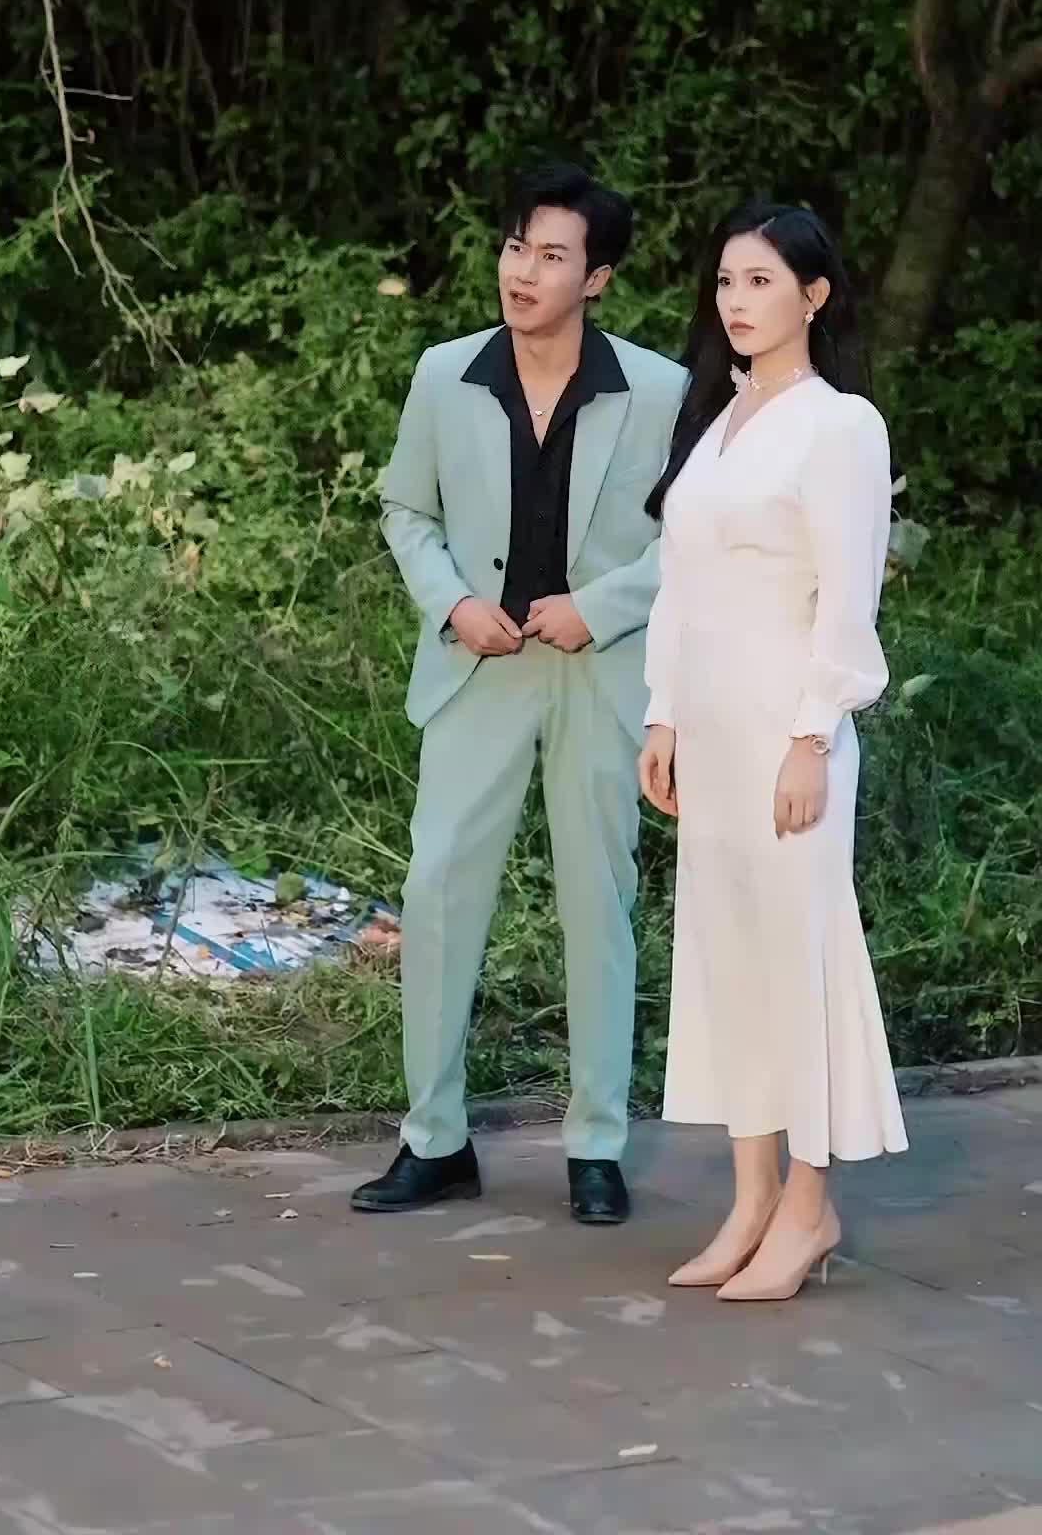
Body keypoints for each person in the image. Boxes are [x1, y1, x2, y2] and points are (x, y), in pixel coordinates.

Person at [352, 163, 689, 1224]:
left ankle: (597, 1146)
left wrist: (605, 604)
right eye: (515, 247)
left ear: (598, 278)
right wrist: (452, 602)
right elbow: (406, 510)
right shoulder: (445, 372)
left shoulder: (662, 389)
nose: (524, 272)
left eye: (552, 255)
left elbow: (695, 536)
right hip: (478, 668)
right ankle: (434, 1140)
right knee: (438, 892)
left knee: (599, 904)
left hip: (598, 672)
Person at [639, 199, 907, 1301]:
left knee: (800, 954)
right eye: (726, 281)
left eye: (760, 281)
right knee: (730, 957)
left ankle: (809, 1204)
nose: (736, 301)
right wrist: (663, 715)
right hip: (710, 730)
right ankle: (749, 1200)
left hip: (790, 728)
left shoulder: (840, 426)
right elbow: (678, 585)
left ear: (815, 295)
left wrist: (812, 734)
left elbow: (846, 599)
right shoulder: (717, 423)